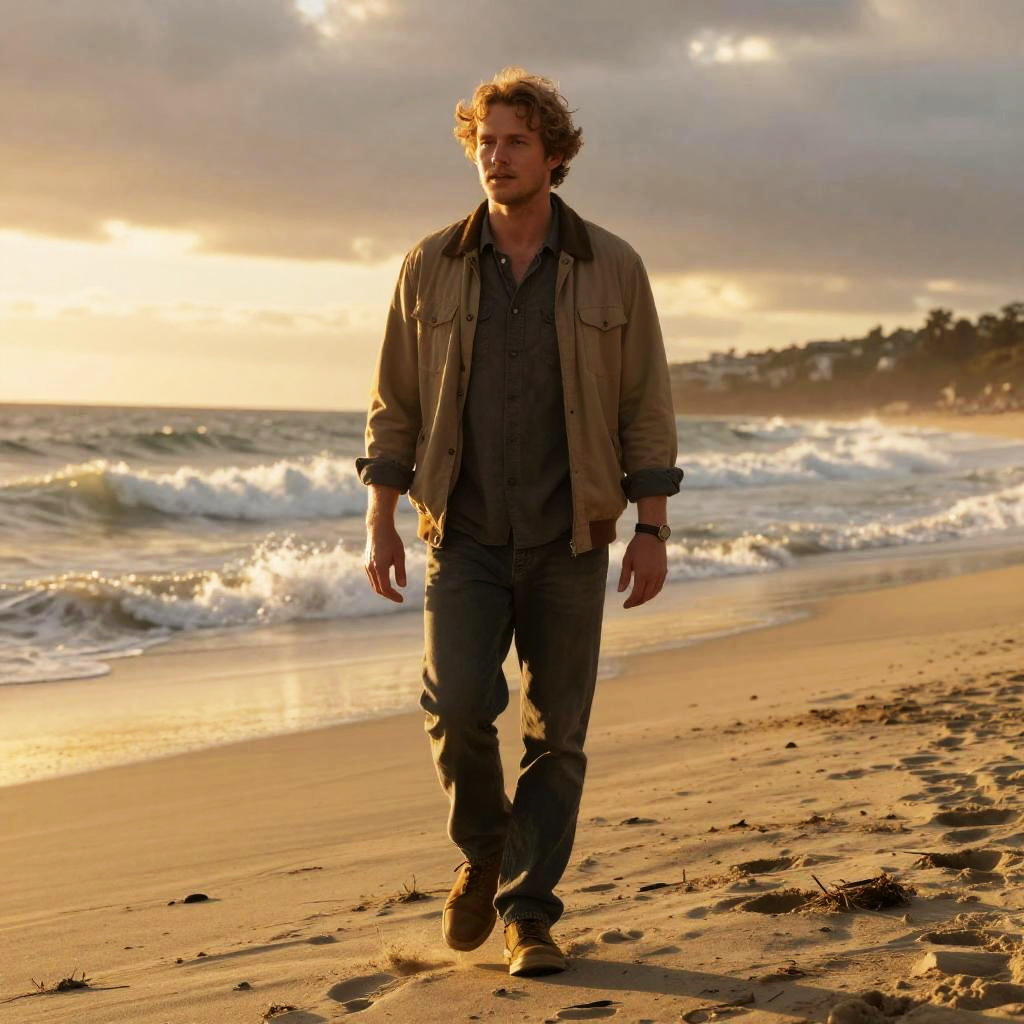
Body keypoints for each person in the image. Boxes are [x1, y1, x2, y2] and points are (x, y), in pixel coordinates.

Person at [357, 68, 682, 977]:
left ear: (555, 156)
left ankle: (529, 914)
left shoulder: (613, 266)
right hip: (459, 532)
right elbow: (395, 402)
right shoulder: (430, 264)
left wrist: (651, 529)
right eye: (484, 143)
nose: (495, 159)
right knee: (456, 703)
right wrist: (380, 517)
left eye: (514, 143)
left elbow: (644, 407)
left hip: (570, 536)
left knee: (558, 733)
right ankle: (486, 848)